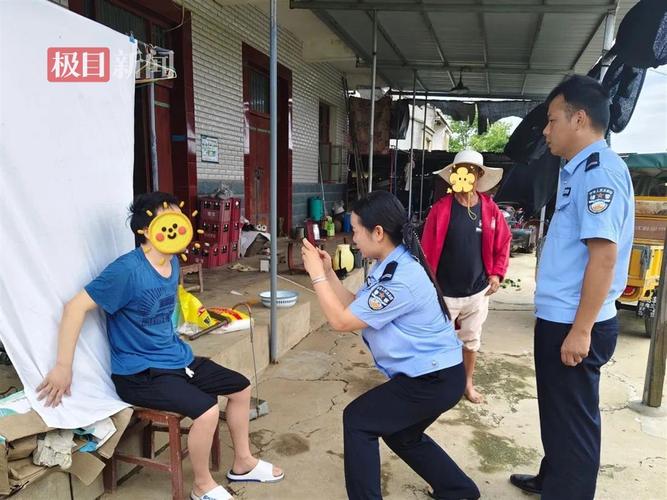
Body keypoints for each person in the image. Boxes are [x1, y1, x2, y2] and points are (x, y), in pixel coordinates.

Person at [37, 192, 283, 500]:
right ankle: (202, 485)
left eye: (177, 216)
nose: (176, 223)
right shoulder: (127, 270)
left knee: (241, 387)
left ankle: (243, 463)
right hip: (139, 373)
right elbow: (74, 307)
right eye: (166, 216)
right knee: (206, 410)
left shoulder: (173, 265)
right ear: (145, 229)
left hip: (176, 359)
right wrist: (63, 367)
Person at [301, 191, 479, 500]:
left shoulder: (401, 277)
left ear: (378, 232)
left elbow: (341, 323)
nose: (353, 238)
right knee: (402, 434)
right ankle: (459, 490)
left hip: (434, 379)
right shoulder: (389, 264)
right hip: (437, 376)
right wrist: (329, 274)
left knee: (358, 420)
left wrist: (316, 278)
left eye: (356, 230)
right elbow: (356, 310)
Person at [509, 75, 634, 500]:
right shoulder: (578, 170)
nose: (545, 131)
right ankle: (552, 479)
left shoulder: (600, 174)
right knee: (559, 414)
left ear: (579, 119)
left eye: (551, 120)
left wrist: (581, 331)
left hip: (575, 324)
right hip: (561, 318)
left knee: (574, 424)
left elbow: (603, 256)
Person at [422, 150, 511, 403]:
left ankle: (467, 383)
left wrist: (497, 274)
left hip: (477, 291)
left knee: (470, 341)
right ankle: (437, 385)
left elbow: (503, 242)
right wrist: (427, 284)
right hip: (444, 293)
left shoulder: (490, 210)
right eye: (461, 170)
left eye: (472, 171)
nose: (467, 175)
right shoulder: (440, 210)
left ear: (479, 175)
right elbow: (426, 251)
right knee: (436, 341)